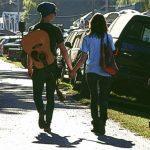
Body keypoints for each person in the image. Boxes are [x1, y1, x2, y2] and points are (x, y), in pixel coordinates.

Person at [27, 2, 73, 133]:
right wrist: (70, 67)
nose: (55, 15)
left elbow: (30, 51)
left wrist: (30, 67)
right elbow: (64, 51)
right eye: (54, 13)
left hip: (38, 67)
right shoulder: (55, 30)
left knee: (37, 95)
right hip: (52, 68)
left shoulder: (33, 29)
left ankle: (41, 112)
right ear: (50, 14)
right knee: (50, 97)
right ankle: (47, 124)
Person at [70, 13, 116, 135]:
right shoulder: (108, 37)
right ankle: (103, 122)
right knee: (104, 97)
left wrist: (74, 70)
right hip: (106, 71)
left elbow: (83, 58)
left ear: (91, 24)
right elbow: (112, 54)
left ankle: (96, 123)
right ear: (104, 25)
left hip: (91, 71)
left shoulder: (87, 38)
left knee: (94, 97)